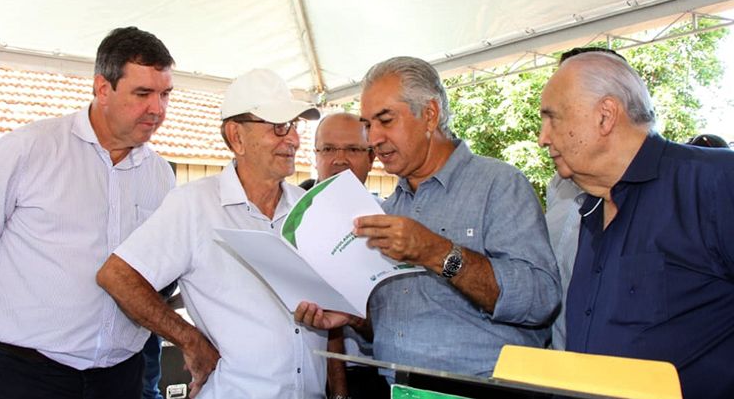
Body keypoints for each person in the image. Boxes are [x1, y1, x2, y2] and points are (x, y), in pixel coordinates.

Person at [297, 56, 561, 383]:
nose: (373, 138)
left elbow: (541, 300)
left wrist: (437, 252)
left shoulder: (498, 185)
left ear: (430, 115)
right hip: (399, 388)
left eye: (385, 120)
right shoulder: (388, 210)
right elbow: (393, 325)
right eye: (368, 125)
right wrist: (353, 318)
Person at [0, 27, 176, 398]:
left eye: (164, 94)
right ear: (102, 88)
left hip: (121, 377)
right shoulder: (28, 151)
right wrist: (2, 320)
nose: (157, 109)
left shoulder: (159, 174)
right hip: (27, 376)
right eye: (142, 93)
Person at [96, 68, 326, 398]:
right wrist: (189, 340)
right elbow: (117, 276)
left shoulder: (309, 208)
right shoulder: (194, 205)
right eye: (279, 127)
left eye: (294, 126)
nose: (292, 139)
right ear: (237, 137)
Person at [537, 51, 734, 399]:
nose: (542, 137)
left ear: (605, 116)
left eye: (552, 118)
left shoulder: (714, 183)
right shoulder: (592, 211)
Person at [545, 47, 627, 351]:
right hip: (560, 367)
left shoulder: (695, 190)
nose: (544, 137)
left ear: (605, 113)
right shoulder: (558, 187)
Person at [306, 112, 386, 399]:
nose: (339, 159)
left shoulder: (391, 223)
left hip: (373, 378)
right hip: (304, 377)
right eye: (328, 149)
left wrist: (355, 317)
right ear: (315, 156)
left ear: (371, 158)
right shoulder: (286, 221)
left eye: (352, 149)